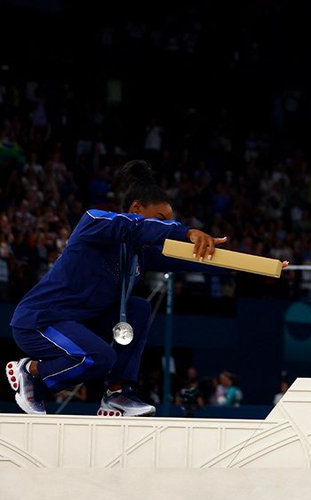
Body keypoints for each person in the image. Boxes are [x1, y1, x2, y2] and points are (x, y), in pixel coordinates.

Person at [7, 160, 223, 417]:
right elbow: (136, 227)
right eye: (161, 220)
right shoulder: (95, 221)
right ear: (135, 208)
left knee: (139, 309)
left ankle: (117, 394)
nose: (165, 228)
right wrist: (185, 232)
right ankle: (31, 372)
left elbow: (189, 260)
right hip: (40, 320)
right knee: (100, 357)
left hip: (81, 323)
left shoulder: (139, 253)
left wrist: (255, 265)